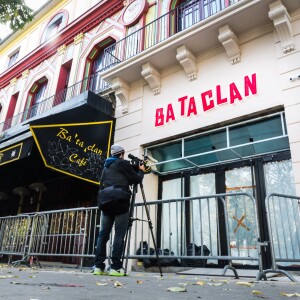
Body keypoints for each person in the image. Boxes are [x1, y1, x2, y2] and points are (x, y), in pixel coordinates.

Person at [93, 144, 145, 276]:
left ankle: (98, 266)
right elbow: (136, 179)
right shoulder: (122, 164)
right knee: (119, 235)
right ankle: (115, 267)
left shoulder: (106, 167)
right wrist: (141, 170)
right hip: (121, 202)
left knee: (103, 235)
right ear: (121, 154)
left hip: (106, 203)